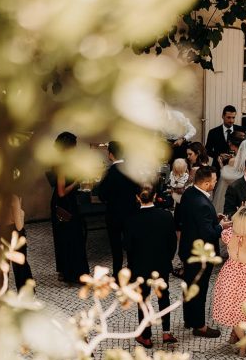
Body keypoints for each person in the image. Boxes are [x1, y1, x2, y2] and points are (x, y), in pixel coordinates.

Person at [178, 166, 230, 338]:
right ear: (207, 183)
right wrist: (221, 226)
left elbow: (196, 222)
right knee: (199, 289)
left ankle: (189, 318)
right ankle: (199, 326)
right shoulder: (202, 203)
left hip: (187, 248)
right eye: (214, 181)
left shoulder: (189, 193)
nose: (215, 183)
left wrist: (215, 219)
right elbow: (208, 233)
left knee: (189, 286)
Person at [125, 184, 178, 348]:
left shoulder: (131, 219)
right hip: (161, 263)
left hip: (141, 266)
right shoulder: (166, 216)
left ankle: (146, 336)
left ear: (137, 197)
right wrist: (167, 258)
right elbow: (172, 242)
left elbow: (127, 246)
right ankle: (166, 332)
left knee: (144, 299)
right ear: (155, 196)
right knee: (164, 296)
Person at [211, 206, 246, 355]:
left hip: (230, 277)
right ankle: (243, 342)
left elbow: (225, 230)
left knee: (232, 311)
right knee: (242, 313)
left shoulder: (229, 235)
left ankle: (236, 335)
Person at [46, 132, 89, 284]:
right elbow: (61, 191)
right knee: (72, 237)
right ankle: (74, 273)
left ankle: (66, 271)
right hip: (65, 204)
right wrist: (76, 181)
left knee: (64, 238)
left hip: (63, 203)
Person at [96, 141, 140, 278]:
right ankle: (132, 271)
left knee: (116, 246)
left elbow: (101, 195)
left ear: (110, 154)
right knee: (131, 244)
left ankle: (117, 274)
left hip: (114, 214)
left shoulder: (110, 173)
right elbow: (138, 189)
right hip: (131, 212)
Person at [211, 131, 246, 213]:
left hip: (228, 193)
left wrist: (221, 164)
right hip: (244, 194)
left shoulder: (232, 161)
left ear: (231, 144)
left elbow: (227, 177)